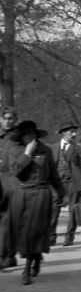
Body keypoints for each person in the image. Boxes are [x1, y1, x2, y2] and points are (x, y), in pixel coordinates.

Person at [8, 120, 65, 285]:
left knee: (33, 231)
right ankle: (36, 256)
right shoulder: (15, 151)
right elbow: (16, 172)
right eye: (27, 135)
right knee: (22, 232)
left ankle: (27, 269)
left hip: (41, 194)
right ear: (21, 137)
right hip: (21, 194)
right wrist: (27, 154)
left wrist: (62, 193)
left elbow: (54, 175)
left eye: (33, 135)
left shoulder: (45, 150)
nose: (31, 138)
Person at [49, 122, 81, 247]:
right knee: (53, 210)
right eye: (71, 132)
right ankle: (51, 237)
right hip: (56, 185)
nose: (74, 134)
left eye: (74, 132)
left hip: (73, 184)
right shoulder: (52, 148)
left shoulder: (77, 149)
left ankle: (69, 238)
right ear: (64, 132)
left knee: (73, 212)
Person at [0, 106, 18, 269]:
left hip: (11, 186)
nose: (7, 121)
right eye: (4, 118)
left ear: (15, 120)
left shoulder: (18, 139)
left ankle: (6, 256)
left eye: (10, 118)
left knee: (7, 222)